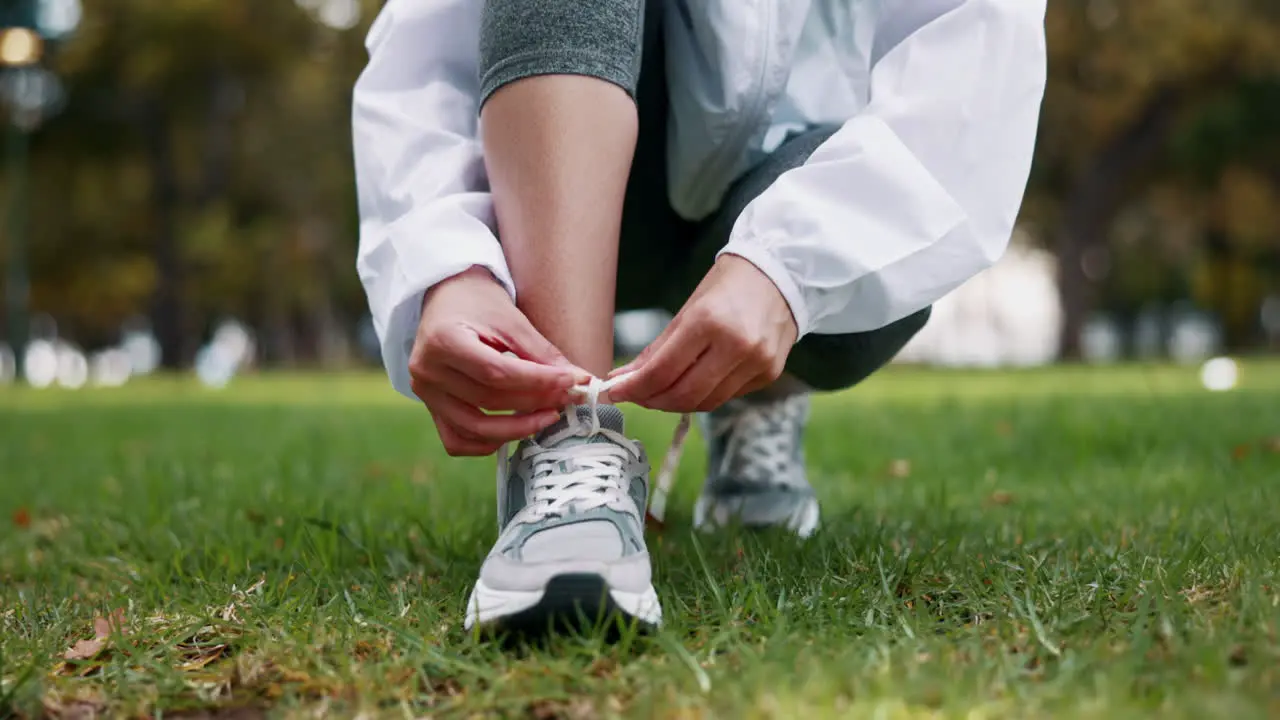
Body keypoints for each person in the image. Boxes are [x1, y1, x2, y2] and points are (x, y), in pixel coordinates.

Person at [353, 0, 1046, 633]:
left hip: (785, 172)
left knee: (874, 279)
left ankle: (757, 402)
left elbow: (973, 61)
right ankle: (568, 445)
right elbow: (425, 52)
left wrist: (786, 269)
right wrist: (449, 265)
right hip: (565, 177)